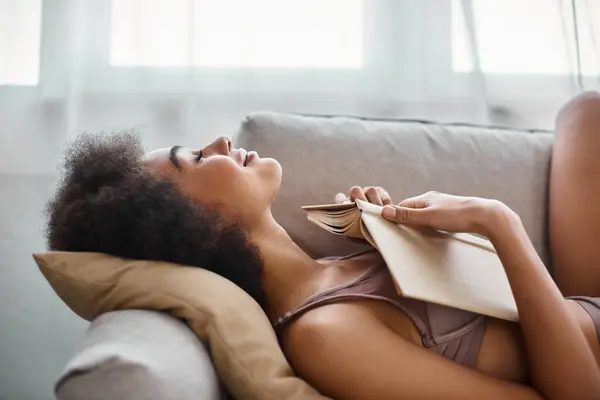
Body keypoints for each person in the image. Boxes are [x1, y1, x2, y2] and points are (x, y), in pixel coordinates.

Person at [45, 93, 600, 400]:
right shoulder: (324, 336)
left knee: (586, 114)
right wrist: (498, 224)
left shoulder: (335, 267)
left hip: (582, 307)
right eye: (191, 158)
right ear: (185, 222)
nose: (220, 142)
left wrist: (407, 241)